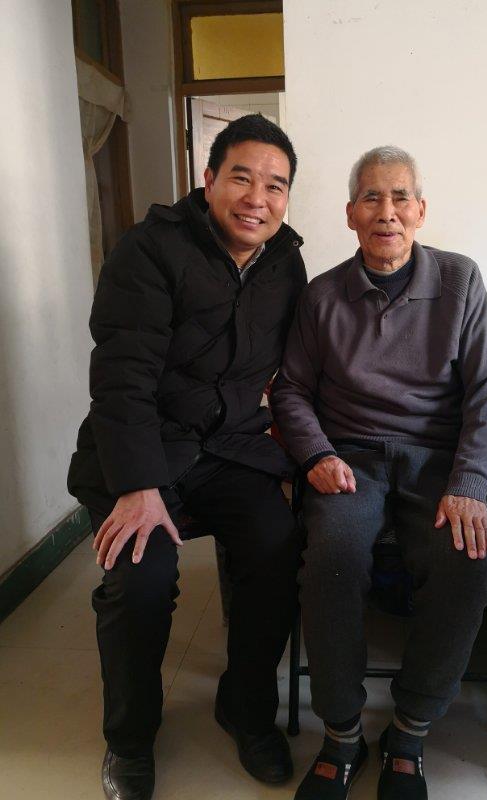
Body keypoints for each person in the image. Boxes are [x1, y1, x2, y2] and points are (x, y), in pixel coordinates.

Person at [67, 114, 307, 800]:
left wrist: (299, 454)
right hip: (144, 449)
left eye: (275, 185)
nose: (257, 198)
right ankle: (130, 737)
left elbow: (298, 369)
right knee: (140, 579)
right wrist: (138, 486)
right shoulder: (150, 250)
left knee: (276, 546)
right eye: (241, 177)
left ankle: (246, 707)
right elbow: (123, 379)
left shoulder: (285, 263)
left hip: (231, 448)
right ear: (208, 180)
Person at [271, 145, 487, 800]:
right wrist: (317, 455)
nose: (387, 212)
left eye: (400, 196)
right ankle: (342, 732)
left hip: (436, 459)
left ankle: (409, 731)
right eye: (371, 198)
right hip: (349, 461)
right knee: (333, 558)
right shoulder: (323, 295)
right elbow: (291, 390)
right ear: (350, 214)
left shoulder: (460, 281)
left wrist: (469, 484)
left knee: (467, 563)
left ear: (421, 210)